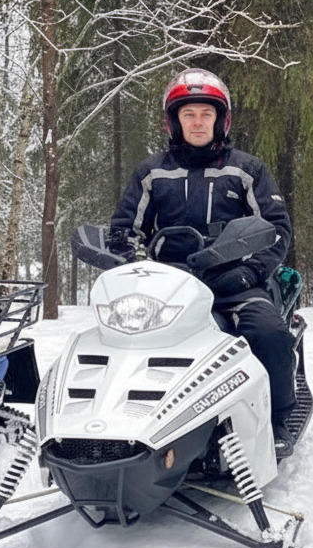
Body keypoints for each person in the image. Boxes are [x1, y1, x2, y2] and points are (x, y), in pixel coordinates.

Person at [109, 68, 298, 457]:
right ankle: (123, 421)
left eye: (206, 114)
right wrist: (137, 264)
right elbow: (125, 231)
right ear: (174, 121)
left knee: (269, 334)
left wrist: (249, 271)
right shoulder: (151, 173)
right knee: (118, 339)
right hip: (166, 288)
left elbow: (277, 229)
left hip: (235, 284)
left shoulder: (247, 170)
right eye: (189, 114)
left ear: (221, 119)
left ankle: (278, 417)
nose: (198, 122)